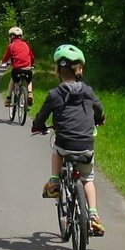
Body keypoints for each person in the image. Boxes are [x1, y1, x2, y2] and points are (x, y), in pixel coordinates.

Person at [31, 44, 106, 236]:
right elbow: (99, 108)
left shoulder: (55, 94)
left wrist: (38, 125)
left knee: (57, 151)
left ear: (57, 70)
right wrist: (99, 119)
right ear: (79, 69)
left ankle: (54, 182)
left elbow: (43, 114)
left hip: (65, 144)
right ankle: (94, 216)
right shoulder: (87, 91)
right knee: (87, 179)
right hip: (86, 145)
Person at [0, 26, 36, 107]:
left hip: (17, 70)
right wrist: (33, 63)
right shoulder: (26, 44)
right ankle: (30, 93)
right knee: (29, 80)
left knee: (12, 80)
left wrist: (3, 62)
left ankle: (8, 99)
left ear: (11, 37)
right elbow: (31, 56)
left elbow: (6, 57)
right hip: (27, 69)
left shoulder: (11, 46)